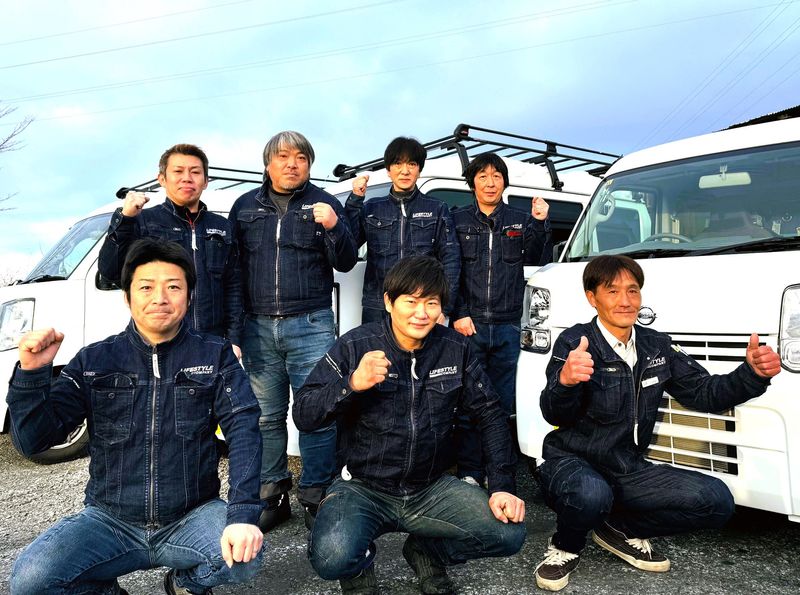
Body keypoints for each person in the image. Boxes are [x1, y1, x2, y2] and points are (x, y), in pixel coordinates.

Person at [7, 238, 264, 595]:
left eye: (173, 287)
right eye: (146, 287)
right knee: (30, 580)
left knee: (246, 556)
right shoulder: (94, 361)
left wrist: (242, 515)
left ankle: (185, 584)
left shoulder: (215, 355)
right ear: (127, 297)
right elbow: (33, 441)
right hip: (109, 521)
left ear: (189, 296)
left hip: (191, 517)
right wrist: (32, 375)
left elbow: (244, 430)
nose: (160, 298)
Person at [534, 254, 781, 591]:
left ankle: (619, 529)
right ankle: (566, 546)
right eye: (612, 291)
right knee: (591, 494)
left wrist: (751, 374)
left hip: (628, 467)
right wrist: (565, 382)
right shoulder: (576, 343)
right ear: (592, 298)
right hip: (573, 462)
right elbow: (554, 414)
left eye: (632, 290)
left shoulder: (656, 345)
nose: (625, 301)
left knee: (717, 500)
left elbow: (704, 393)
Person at [293, 255, 526, 595]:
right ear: (389, 302)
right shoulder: (356, 345)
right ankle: (359, 570)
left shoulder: (456, 348)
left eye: (431, 303)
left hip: (429, 488)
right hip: (363, 487)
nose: (421, 313)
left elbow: (490, 414)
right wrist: (352, 383)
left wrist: (503, 484)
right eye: (411, 301)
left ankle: (426, 552)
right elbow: (304, 413)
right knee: (332, 556)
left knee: (509, 532)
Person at [228, 131, 358, 532]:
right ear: (268, 164)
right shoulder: (244, 206)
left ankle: (317, 495)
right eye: (283, 156)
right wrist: (233, 331)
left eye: (301, 157)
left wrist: (334, 227)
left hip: (311, 325)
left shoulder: (326, 203)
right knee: (265, 416)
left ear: (309, 165)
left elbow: (346, 260)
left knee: (317, 412)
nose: (292, 164)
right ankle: (273, 494)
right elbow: (233, 272)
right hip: (257, 327)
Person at [450, 152, 552, 486]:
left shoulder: (520, 220)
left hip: (509, 326)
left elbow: (538, 261)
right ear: (472, 183)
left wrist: (539, 223)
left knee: (502, 405)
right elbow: (451, 270)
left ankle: (499, 472)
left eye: (496, 176)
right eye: (482, 176)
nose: (490, 183)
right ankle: (470, 471)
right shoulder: (457, 219)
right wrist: (458, 313)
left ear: (504, 182)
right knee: (468, 402)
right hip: (470, 326)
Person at [98, 143, 243, 355]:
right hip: (158, 342)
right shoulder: (143, 220)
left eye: (195, 172)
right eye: (178, 171)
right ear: (162, 179)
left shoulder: (222, 226)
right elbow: (110, 271)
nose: (187, 178)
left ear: (206, 181)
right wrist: (125, 219)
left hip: (212, 342)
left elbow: (234, 287)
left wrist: (234, 339)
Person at [345, 136, 460, 324]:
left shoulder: (437, 208)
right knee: (376, 345)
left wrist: (444, 308)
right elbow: (348, 245)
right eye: (398, 163)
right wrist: (355, 199)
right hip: (378, 305)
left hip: (421, 305)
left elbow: (451, 259)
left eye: (412, 164)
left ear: (419, 170)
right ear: (388, 170)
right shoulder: (371, 207)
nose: (405, 171)